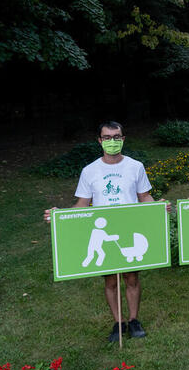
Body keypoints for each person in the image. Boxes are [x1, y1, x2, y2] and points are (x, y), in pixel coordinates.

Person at [44, 121, 157, 343]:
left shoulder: (135, 166)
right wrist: (59, 216)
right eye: (107, 137)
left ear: (123, 139)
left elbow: (144, 197)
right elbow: (82, 205)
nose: (112, 141)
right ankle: (118, 323)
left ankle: (134, 320)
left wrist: (157, 207)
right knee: (110, 281)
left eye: (116, 137)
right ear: (100, 140)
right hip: (105, 228)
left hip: (128, 228)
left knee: (131, 277)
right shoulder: (90, 171)